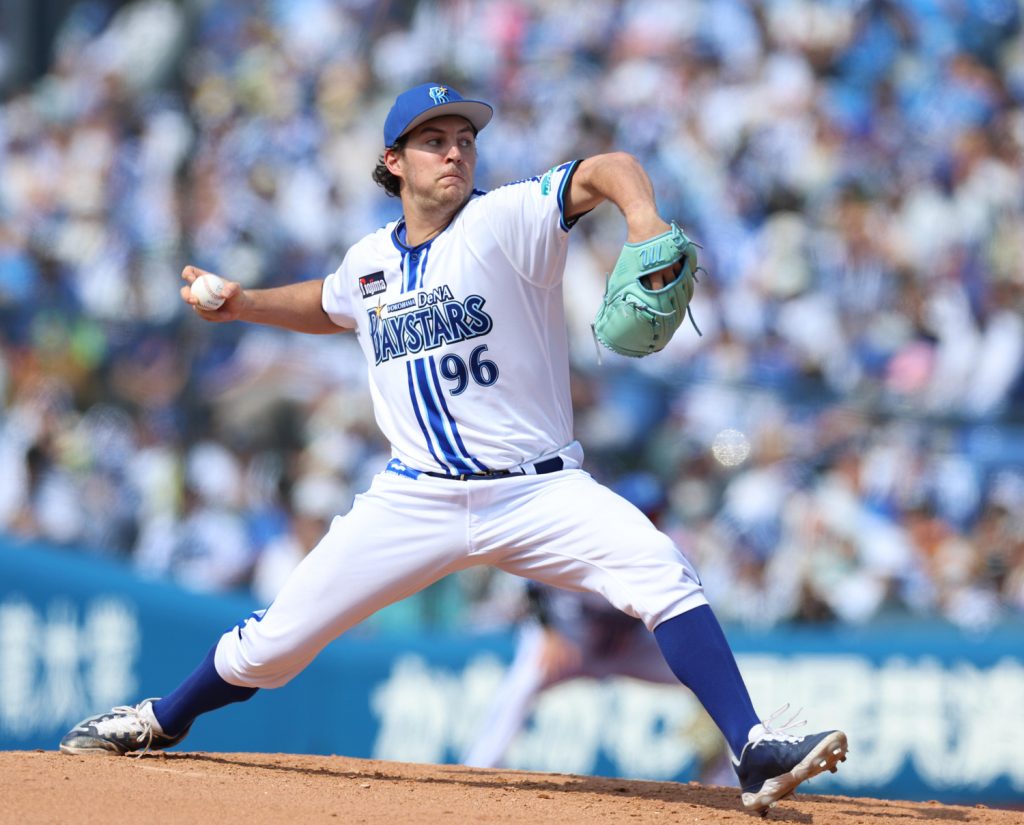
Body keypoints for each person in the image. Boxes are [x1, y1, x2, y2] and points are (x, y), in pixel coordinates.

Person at [59, 82, 847, 813]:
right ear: (392, 162)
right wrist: (243, 305)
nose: (456, 151)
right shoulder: (369, 262)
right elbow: (332, 303)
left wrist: (641, 219)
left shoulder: (506, 218)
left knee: (660, 569)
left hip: (537, 490)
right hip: (417, 496)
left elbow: (610, 167)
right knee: (273, 643)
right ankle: (159, 718)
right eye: (434, 139)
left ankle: (751, 747)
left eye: (464, 136)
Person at [462, 473, 731, 784]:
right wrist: (548, 632)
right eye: (644, 511)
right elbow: (529, 584)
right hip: (569, 644)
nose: (651, 519)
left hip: (629, 650)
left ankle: (724, 779)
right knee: (521, 686)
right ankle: (480, 768)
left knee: (706, 675)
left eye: (655, 512)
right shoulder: (584, 542)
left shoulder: (670, 551)